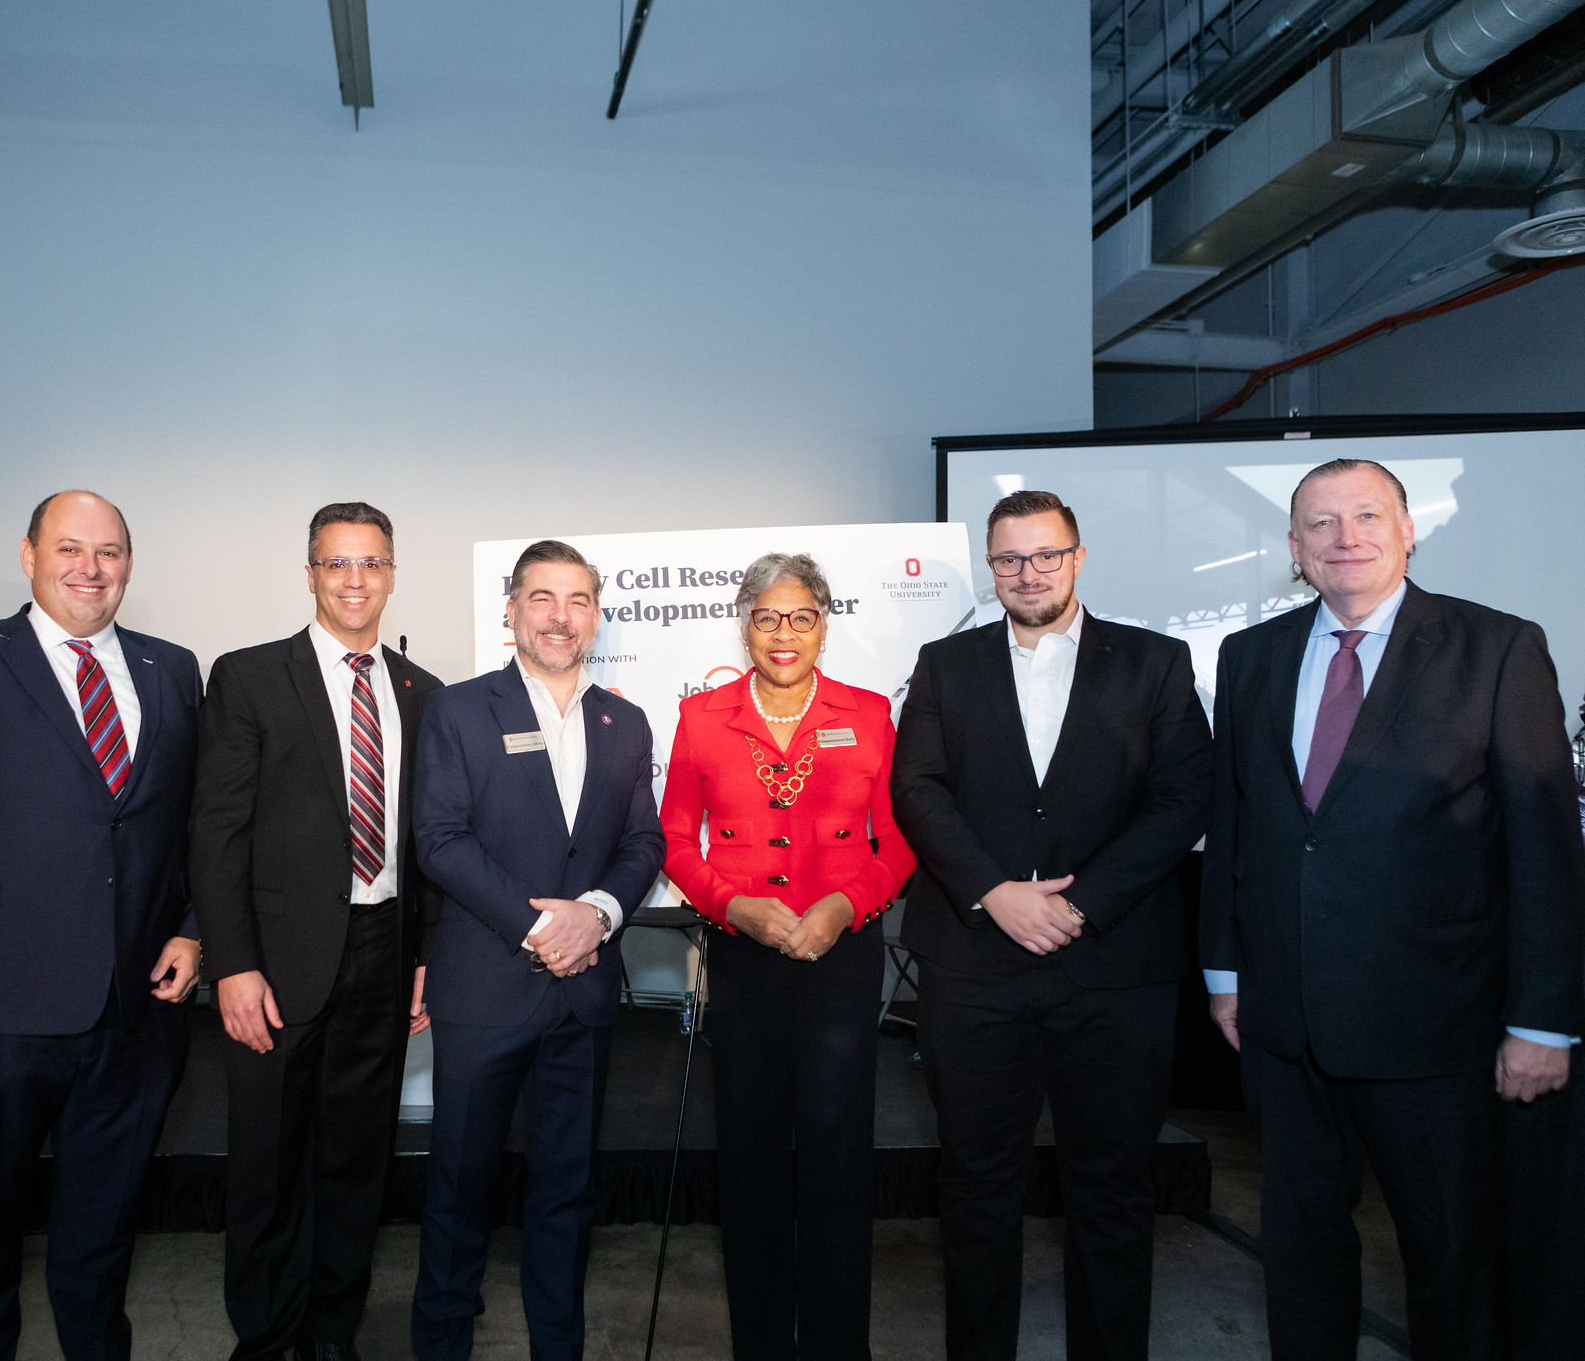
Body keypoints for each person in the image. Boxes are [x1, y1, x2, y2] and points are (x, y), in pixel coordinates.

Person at [1201, 457, 1584, 1358]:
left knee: (1452, 1260)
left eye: (1367, 515)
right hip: (1285, 1026)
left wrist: (1545, 1020)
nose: (1346, 537)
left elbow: (1543, 850)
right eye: (1321, 524)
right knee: (1298, 1256)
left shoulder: (1498, 648)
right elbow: (1237, 823)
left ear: (1408, 530)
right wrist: (1227, 972)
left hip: (1439, 1033)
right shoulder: (1250, 656)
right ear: (1294, 549)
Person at [891, 490, 1211, 1361]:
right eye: (1008, 558)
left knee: (1111, 1191)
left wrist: (1081, 901)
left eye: (1045, 555)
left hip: (1113, 965)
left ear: (1077, 557)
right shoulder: (944, 662)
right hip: (973, 965)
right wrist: (995, 891)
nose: (1027, 573)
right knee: (977, 1188)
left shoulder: (1156, 662)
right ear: (989, 566)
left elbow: (1184, 795)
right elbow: (917, 789)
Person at [0, 490, 204, 1361]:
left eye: (109, 551)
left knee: (101, 1239)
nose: (90, 567)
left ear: (130, 565)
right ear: (27, 555)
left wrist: (192, 928)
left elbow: (192, 825)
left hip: (135, 1015)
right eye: (69, 548)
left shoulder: (172, 667)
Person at [189, 502, 444, 1361]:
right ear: (309, 573)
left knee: (353, 1165)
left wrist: (426, 958)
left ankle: (332, 1335)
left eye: (371, 563)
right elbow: (215, 833)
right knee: (266, 1164)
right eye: (336, 563)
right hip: (275, 963)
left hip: (383, 952)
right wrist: (232, 964)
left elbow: (427, 843)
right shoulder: (251, 676)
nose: (354, 580)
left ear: (392, 574)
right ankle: (264, 1337)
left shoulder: (423, 692)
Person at [408, 539, 665, 1361]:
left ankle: (561, 1344)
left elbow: (644, 841)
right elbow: (439, 841)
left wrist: (595, 913)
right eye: (543, 598)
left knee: (567, 1189)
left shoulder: (626, 720)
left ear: (596, 614)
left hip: (583, 995)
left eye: (579, 599)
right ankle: (443, 1342)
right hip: (485, 988)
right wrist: (540, 927)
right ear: (510, 610)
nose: (561, 616)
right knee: (459, 1185)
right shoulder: (459, 708)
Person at [658, 551, 916, 1360]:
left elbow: (902, 838)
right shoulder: (703, 717)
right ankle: (761, 1342)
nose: (784, 632)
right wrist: (730, 903)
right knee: (751, 1158)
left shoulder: (869, 713)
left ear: (824, 625)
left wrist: (845, 905)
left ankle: (841, 1344)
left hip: (840, 956)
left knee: (839, 1158)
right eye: (767, 615)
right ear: (744, 621)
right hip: (744, 958)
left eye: (801, 616)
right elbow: (670, 839)